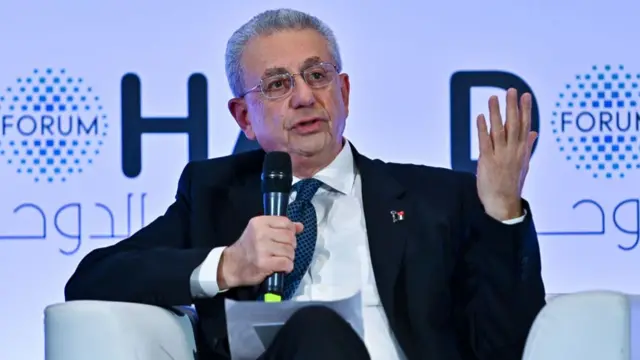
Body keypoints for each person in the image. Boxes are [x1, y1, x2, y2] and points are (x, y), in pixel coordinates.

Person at [64, 8, 545, 360]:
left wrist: (502, 212)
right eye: (276, 84)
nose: (303, 96)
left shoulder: (439, 200)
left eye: (317, 75)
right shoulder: (213, 194)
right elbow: (91, 279)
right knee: (315, 330)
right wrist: (228, 265)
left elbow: (505, 346)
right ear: (243, 118)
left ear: (345, 92)